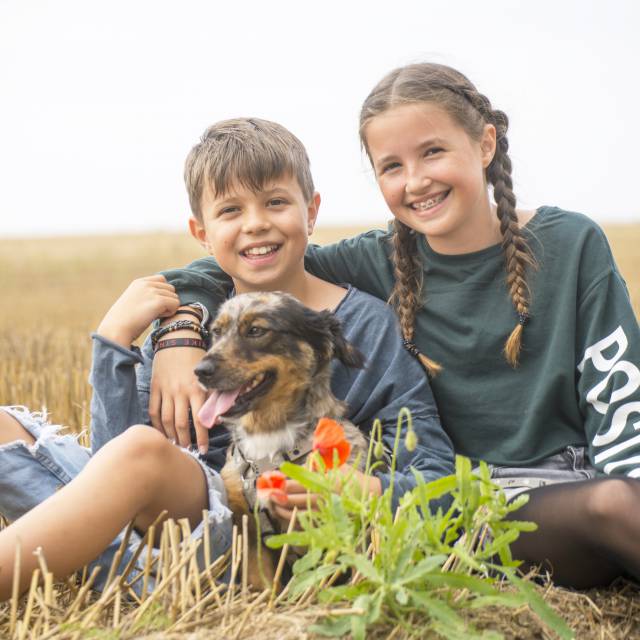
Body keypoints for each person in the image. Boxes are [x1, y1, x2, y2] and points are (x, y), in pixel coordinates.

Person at [152, 65, 640, 589]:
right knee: (610, 507)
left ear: (485, 143)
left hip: (567, 489)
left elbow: (619, 397)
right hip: (455, 506)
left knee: (617, 499)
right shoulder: (375, 259)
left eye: (432, 152)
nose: (416, 181)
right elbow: (238, 263)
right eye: (391, 166)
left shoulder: (570, 243)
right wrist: (180, 333)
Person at [0, 117, 454, 601]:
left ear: (311, 211)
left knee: (141, 453)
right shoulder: (191, 333)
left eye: (275, 202)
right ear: (201, 231)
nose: (255, 222)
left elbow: (437, 476)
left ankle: (95, 562)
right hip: (158, 528)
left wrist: (359, 489)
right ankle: (107, 565)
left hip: (245, 546)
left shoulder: (365, 324)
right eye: (231, 209)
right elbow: (107, 468)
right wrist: (112, 342)